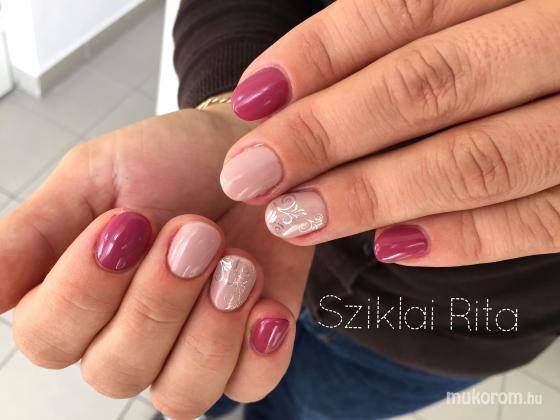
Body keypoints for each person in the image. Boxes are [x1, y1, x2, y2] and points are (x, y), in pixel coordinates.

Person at [1, 0, 559, 419]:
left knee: (283, 408)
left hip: (441, 329)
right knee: (193, 386)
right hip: (258, 253)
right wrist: (235, 110)